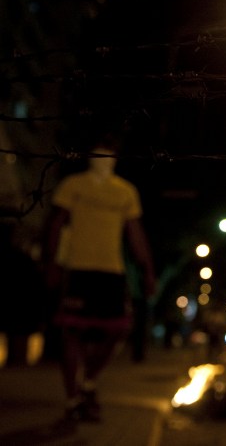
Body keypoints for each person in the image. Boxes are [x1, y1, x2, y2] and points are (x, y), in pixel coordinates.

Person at [43, 138, 155, 422]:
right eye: (98, 152)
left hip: (112, 272)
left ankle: (89, 382)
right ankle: (72, 401)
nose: (103, 158)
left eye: (109, 153)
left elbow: (135, 233)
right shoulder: (73, 186)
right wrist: (53, 263)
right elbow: (56, 224)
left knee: (117, 330)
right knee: (70, 333)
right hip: (78, 270)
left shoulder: (125, 191)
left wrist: (147, 270)